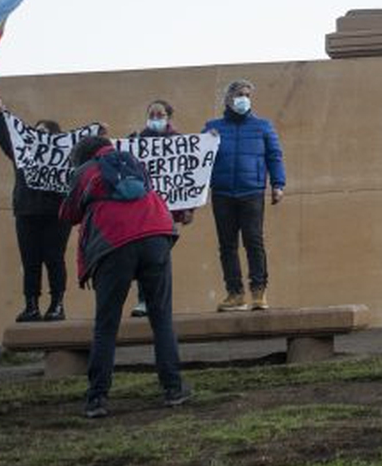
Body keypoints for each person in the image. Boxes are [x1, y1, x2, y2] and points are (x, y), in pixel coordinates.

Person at [59, 132, 190, 419]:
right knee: (161, 318)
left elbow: (68, 214)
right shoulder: (134, 161)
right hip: (156, 234)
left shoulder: (84, 172)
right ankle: (173, 388)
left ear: (81, 157)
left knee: (106, 325)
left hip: (113, 244)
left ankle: (97, 398)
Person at [203, 79, 286, 311]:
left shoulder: (263, 126)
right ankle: (235, 293)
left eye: (248, 95)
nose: (244, 99)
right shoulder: (212, 127)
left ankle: (259, 292)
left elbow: (274, 156)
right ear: (229, 98)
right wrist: (207, 139)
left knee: (254, 241)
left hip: (252, 191)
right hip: (222, 192)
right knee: (227, 246)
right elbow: (199, 160)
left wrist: (278, 184)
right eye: (240, 94)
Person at [0, 101, 68, 322]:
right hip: (27, 212)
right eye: (37, 131)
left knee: (54, 259)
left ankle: (57, 305)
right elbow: (6, 139)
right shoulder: (23, 156)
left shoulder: (64, 156)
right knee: (30, 261)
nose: (39, 135)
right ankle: (31, 306)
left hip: (56, 214)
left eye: (45, 132)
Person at [125, 100, 195, 318]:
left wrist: (189, 208)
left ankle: (159, 302)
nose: (155, 117)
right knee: (143, 257)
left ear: (168, 117)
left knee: (160, 257)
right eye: (152, 114)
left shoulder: (179, 141)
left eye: (160, 114)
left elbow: (189, 176)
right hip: (142, 210)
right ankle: (144, 300)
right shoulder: (138, 140)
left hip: (166, 211)